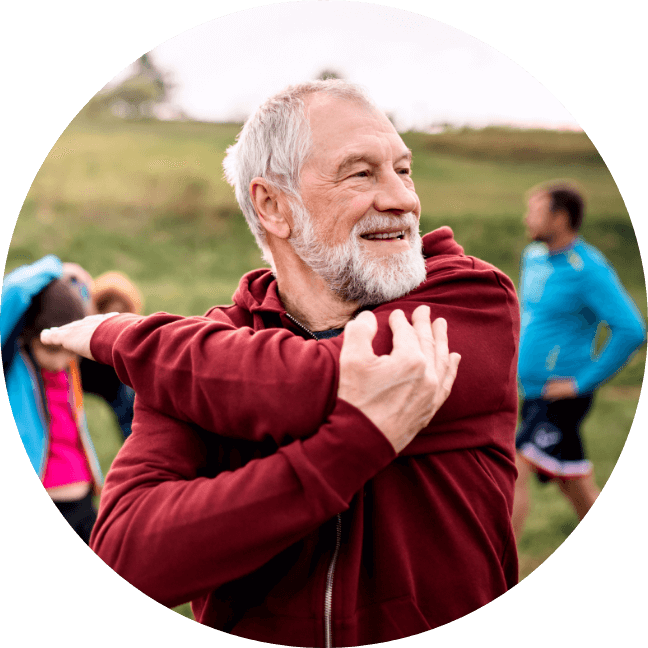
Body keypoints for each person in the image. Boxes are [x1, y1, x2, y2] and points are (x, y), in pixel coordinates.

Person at [40, 80, 520, 645]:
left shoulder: (471, 298)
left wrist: (121, 336)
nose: (403, 198)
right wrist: (349, 446)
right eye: (361, 173)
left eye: (404, 170)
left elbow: (313, 383)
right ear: (273, 206)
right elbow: (126, 557)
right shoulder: (204, 352)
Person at [512, 181, 646, 539]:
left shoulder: (586, 268)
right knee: (576, 487)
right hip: (533, 392)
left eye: (536, 211)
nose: (528, 218)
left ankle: (498, 574)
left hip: (562, 397)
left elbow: (631, 329)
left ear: (560, 217)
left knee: (513, 469)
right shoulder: (534, 257)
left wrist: (581, 383)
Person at [2, 255, 104, 544]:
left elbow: (80, 307)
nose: (63, 361)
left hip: (85, 500)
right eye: (54, 350)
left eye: (68, 351)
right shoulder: (12, 363)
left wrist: (77, 283)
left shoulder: (69, 366)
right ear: (30, 336)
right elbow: (16, 291)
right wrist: (56, 268)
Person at [79, 271, 142, 440]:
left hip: (110, 377)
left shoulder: (124, 356)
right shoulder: (77, 335)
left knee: (131, 418)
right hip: (80, 368)